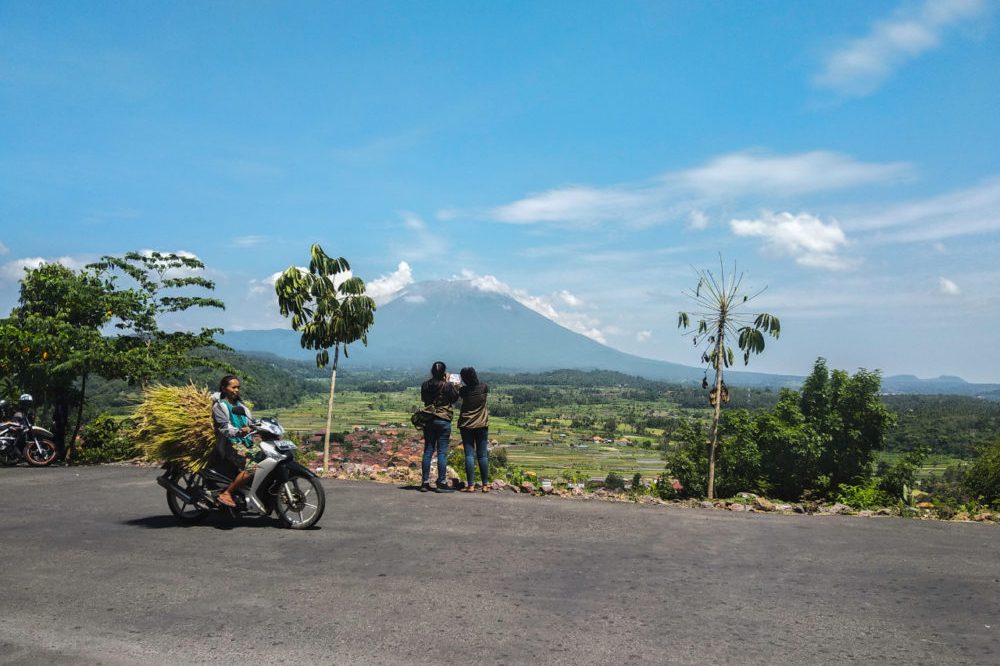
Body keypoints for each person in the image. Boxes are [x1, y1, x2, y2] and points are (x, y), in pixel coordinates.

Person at [213, 375, 258, 508]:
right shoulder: (220, 406)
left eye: (238, 387)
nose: (237, 390)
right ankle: (227, 493)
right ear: (224, 389)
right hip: (231, 444)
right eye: (233, 387)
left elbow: (252, 421)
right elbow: (224, 428)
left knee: (265, 459)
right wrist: (240, 431)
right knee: (253, 467)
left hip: (246, 443)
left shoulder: (241, 406)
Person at [420, 361, 460, 493]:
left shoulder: (425, 385)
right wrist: (450, 382)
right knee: (442, 452)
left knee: (428, 451)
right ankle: (441, 482)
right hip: (443, 420)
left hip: (429, 420)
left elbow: (424, 399)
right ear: (444, 372)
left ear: (432, 372)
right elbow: (454, 399)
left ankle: (425, 482)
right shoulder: (447, 386)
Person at [458, 366, 490, 493]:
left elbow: (458, 393)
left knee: (469, 455)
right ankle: (485, 485)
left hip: (466, 425)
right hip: (482, 424)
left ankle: (470, 485)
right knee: (482, 456)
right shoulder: (484, 387)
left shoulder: (463, 391)